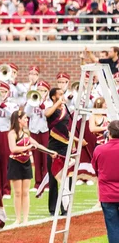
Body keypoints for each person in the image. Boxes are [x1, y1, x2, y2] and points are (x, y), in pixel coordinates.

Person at [7, 110, 55, 225]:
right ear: (19, 120)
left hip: (26, 163)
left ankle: (25, 219)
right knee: (17, 192)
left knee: (25, 192)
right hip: (15, 163)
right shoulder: (12, 133)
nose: (27, 120)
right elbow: (13, 149)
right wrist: (28, 146)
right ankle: (18, 219)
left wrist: (50, 152)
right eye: (25, 118)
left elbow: (37, 145)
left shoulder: (26, 133)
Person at [92, 120, 119, 243]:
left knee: (112, 228)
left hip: (107, 195)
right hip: (109, 193)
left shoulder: (100, 150)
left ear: (109, 133)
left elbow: (96, 169)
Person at [45, 87, 71, 215]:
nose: (62, 96)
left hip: (65, 145)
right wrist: (58, 102)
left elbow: (67, 129)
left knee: (66, 177)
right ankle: (53, 209)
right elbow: (47, 114)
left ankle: (65, 207)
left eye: (63, 94)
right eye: (59, 94)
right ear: (54, 97)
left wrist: (77, 140)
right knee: (53, 177)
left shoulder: (66, 110)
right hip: (53, 146)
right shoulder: (51, 109)